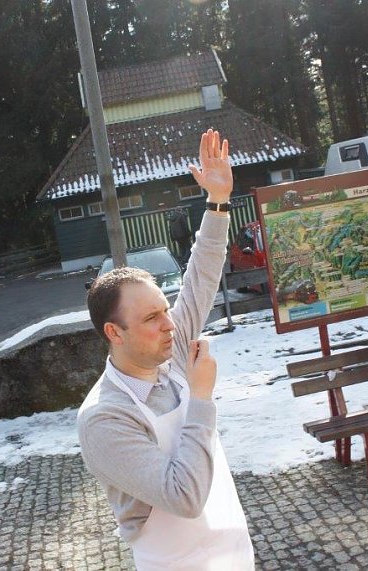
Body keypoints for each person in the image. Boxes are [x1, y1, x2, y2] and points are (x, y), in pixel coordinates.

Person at [77, 130, 254, 570]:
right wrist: (200, 397)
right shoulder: (104, 418)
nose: (170, 323)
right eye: (152, 318)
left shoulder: (169, 348)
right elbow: (184, 496)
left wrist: (217, 201)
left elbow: (201, 274)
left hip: (235, 556)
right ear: (114, 334)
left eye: (165, 309)